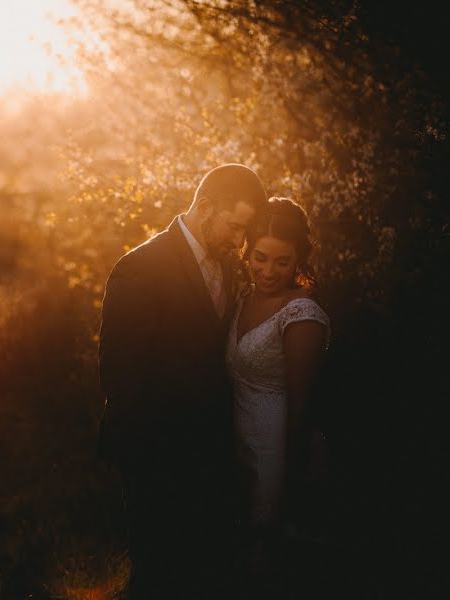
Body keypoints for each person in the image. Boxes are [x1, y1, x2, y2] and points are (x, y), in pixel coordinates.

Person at [97, 163, 268, 597]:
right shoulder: (139, 268)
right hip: (155, 453)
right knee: (158, 575)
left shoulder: (230, 267)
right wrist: (153, 461)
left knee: (206, 573)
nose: (239, 241)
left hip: (212, 453)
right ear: (205, 207)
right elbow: (122, 376)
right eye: (235, 226)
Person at [225, 197, 330, 590]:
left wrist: (292, 475)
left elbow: (304, 404)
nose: (268, 271)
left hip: (276, 448)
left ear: (298, 259)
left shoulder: (301, 314)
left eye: (282, 261)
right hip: (238, 440)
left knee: (267, 564)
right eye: (260, 257)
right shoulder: (241, 297)